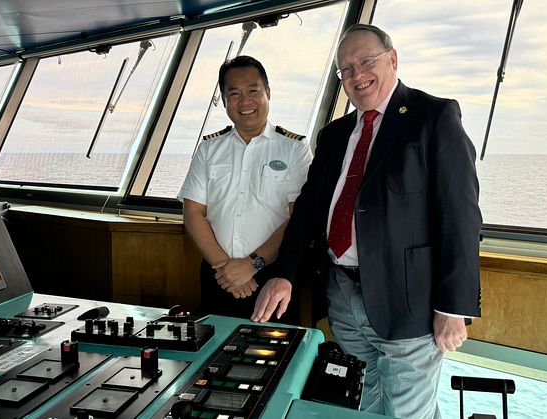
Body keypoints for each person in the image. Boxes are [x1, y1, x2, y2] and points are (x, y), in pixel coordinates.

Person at [252, 24, 482, 418]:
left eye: (366, 62)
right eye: (346, 70)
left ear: (392, 59)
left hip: (410, 305)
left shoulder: (433, 117)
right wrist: (284, 273)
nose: (357, 76)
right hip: (343, 297)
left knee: (409, 412)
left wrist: (452, 306)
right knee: (366, 405)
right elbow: (308, 211)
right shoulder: (335, 135)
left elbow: (461, 216)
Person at [178, 55, 312, 320]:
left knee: (276, 357)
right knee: (213, 353)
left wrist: (253, 265)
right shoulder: (209, 149)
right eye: (234, 93)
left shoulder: (295, 148)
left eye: (253, 90)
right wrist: (225, 268)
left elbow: (299, 217)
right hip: (219, 276)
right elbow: (192, 212)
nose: (245, 101)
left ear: (267, 93)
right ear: (224, 100)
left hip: (273, 277)